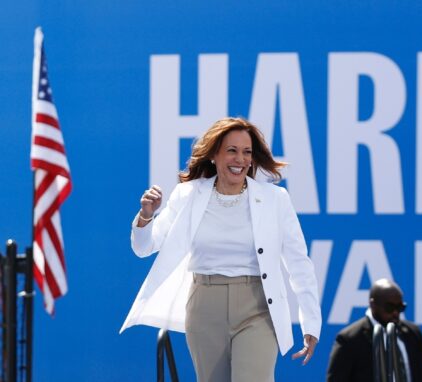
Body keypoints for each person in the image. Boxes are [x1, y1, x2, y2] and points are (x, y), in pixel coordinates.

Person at [120, 117, 322, 382]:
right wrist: (146, 216)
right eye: (232, 150)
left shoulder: (275, 199)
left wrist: (310, 321)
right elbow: (144, 247)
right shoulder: (187, 194)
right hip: (204, 307)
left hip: (258, 309)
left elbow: (299, 263)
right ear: (214, 155)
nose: (240, 159)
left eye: (247, 152)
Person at [326, 279, 422, 382]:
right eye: (389, 307)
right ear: (373, 305)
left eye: (400, 307)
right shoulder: (350, 339)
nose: (395, 313)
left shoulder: (413, 332)